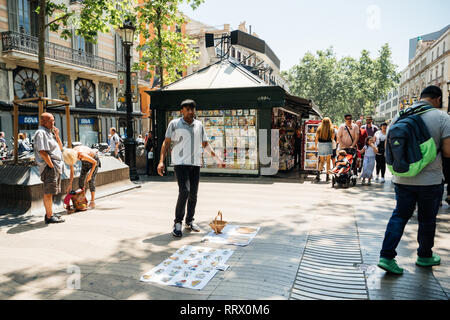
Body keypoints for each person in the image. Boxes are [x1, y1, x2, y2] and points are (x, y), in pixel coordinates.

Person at [378, 85, 450, 275]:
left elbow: (389, 145)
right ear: (438, 99)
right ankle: (425, 256)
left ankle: (386, 256)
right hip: (431, 180)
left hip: (403, 178)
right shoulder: (443, 117)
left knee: (399, 215)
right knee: (427, 220)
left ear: (420, 97)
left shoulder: (399, 116)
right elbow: (449, 151)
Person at [157, 99, 223, 238]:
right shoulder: (174, 124)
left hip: (195, 164)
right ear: (182, 111)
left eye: (192, 109)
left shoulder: (199, 125)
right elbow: (166, 143)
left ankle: (189, 221)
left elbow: (205, 144)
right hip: (180, 163)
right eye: (187, 109)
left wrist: (216, 157)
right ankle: (177, 223)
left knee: (193, 194)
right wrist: (161, 161)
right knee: (184, 191)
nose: (191, 112)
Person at [33, 113, 65, 224]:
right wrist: (51, 166)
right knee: (48, 192)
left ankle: (50, 213)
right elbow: (42, 151)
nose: (53, 122)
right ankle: (49, 216)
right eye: (51, 120)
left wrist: (57, 135)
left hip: (54, 167)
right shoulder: (41, 133)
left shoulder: (48, 133)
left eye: (53, 120)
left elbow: (60, 148)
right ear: (44, 121)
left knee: (51, 192)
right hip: (49, 167)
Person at [314, 117, 335, 182]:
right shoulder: (332, 129)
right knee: (328, 161)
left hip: (321, 145)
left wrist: (315, 146)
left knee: (321, 161)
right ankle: (327, 176)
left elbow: (316, 138)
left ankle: (318, 175)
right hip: (328, 145)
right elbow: (332, 138)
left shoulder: (319, 129)